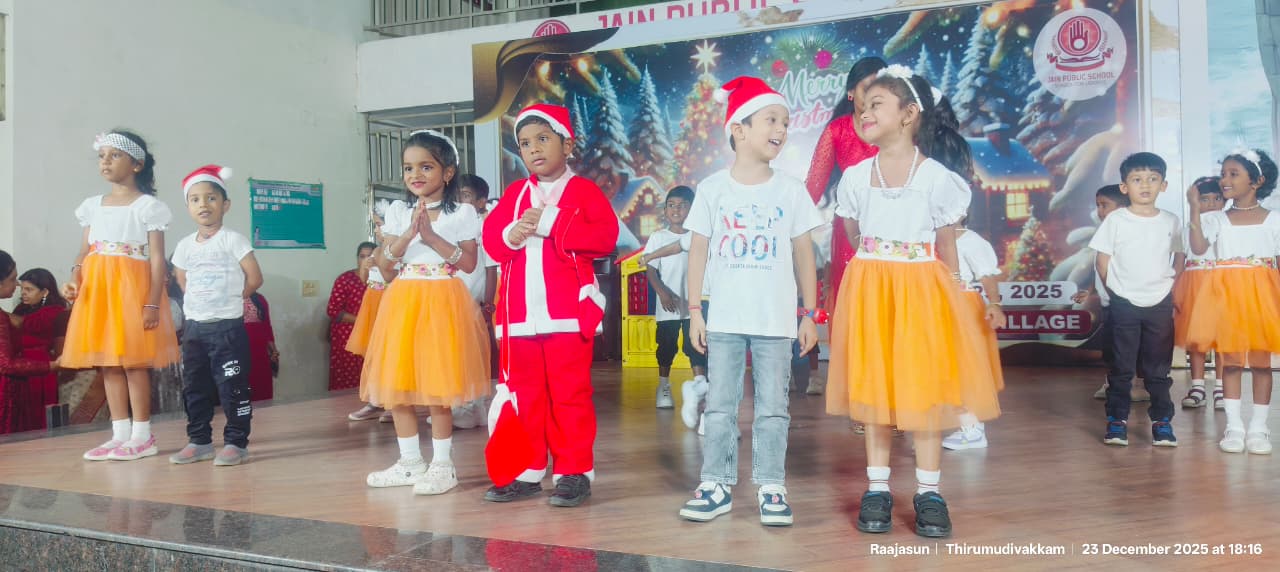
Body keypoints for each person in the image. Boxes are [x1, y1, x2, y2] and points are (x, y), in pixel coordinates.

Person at [826, 65, 1002, 538]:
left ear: (908, 114)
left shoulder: (937, 178)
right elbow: (853, 232)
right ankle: (877, 488)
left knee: (924, 391)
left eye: (876, 104)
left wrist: (955, 293)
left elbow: (946, 245)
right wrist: (878, 265)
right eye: (863, 106)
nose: (865, 112)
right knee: (876, 391)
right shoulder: (856, 177)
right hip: (872, 290)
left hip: (922, 291)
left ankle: (929, 491)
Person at [675, 77, 822, 528]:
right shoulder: (713, 188)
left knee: (774, 407)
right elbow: (698, 251)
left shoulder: (791, 190)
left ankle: (771, 486)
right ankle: (715, 484)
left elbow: (804, 253)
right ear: (738, 129)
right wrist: (695, 311)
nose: (781, 129)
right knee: (720, 406)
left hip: (775, 321)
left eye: (785, 122)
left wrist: (809, 314)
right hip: (724, 319)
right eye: (771, 120)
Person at [481, 104, 618, 507]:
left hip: (567, 314)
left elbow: (605, 238)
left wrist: (551, 222)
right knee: (524, 395)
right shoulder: (514, 195)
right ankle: (526, 471)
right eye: (525, 143)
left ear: (567, 145)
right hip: (519, 317)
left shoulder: (584, 191)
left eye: (543, 139)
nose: (534, 149)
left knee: (569, 395)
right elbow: (492, 242)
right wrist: (511, 233)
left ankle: (573, 471)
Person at [363, 130, 491, 495]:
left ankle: (442, 466)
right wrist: (408, 234)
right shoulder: (398, 211)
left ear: (447, 172)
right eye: (408, 168)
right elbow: (385, 265)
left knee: (438, 385)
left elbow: (468, 263)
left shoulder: (462, 212)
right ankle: (409, 462)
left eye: (426, 166)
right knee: (398, 384)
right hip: (403, 299)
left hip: (441, 299)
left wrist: (432, 236)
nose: (415, 174)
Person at [62, 130, 180, 461]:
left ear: (136, 164)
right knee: (108, 364)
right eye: (102, 156)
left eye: (115, 155)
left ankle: (143, 435)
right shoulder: (91, 206)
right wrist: (74, 277)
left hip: (131, 290)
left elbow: (157, 259)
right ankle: (119, 434)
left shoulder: (148, 207)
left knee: (133, 363)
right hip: (97, 290)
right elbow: (85, 250)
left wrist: (152, 302)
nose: (105, 162)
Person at [1185, 149, 1280, 455]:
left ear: (1257, 181)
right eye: (1223, 173)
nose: (1224, 179)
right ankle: (1235, 427)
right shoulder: (1217, 219)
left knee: (1261, 365)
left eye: (1233, 174)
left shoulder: (1274, 220)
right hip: (1227, 298)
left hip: (1263, 299)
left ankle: (1259, 428)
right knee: (1232, 363)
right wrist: (1195, 210)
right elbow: (1198, 248)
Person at [169, 165, 264, 466]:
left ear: (226, 205)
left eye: (211, 198)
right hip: (194, 328)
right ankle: (199, 441)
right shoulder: (184, 246)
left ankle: (236, 443)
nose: (203, 205)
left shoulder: (233, 240)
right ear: (188, 207)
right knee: (194, 386)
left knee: (232, 386)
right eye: (195, 199)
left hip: (227, 328)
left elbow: (255, 278)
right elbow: (182, 280)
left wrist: (232, 299)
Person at [1089, 152, 1183, 448]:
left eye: (1153, 179)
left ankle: (1162, 422)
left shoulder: (1171, 220)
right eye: (1137, 179)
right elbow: (1102, 260)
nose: (1145, 185)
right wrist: (1117, 292)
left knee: (1158, 367)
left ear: (1163, 185)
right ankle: (1117, 421)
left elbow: (1179, 256)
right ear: (1124, 186)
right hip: (1124, 303)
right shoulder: (1116, 220)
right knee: (1122, 366)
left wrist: (1170, 286)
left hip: (1159, 302)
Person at [805, 57, 885, 313]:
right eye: (867, 88)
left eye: (880, 90)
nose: (873, 96)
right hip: (849, 230)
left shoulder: (895, 129)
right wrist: (786, 227)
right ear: (851, 92)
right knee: (853, 307)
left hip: (890, 227)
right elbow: (813, 187)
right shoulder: (838, 130)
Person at [941, 218, 1006, 450]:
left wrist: (994, 303)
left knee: (961, 368)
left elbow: (987, 275)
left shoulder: (971, 241)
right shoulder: (929, 236)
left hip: (960, 307)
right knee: (941, 368)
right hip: (933, 305)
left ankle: (972, 428)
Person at [640, 185, 707, 410]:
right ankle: (664, 386)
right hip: (668, 304)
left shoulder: (698, 236)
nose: (676, 210)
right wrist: (662, 293)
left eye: (682, 206)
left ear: (692, 209)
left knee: (695, 345)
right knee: (666, 346)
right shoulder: (658, 237)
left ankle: (699, 386)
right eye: (671, 205)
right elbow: (651, 269)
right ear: (665, 210)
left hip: (694, 305)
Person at [1085, 185, 1150, 403]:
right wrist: (1092, 290)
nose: (1100, 211)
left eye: (1105, 205)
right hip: (1108, 302)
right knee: (1111, 346)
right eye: (1098, 206)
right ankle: (1112, 381)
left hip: (1126, 300)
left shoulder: (1130, 232)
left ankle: (1137, 383)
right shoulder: (1103, 232)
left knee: (1132, 345)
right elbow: (1099, 268)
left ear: (1122, 208)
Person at [1175, 176, 1225, 409]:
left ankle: (1222, 388)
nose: (1212, 204)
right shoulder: (1185, 229)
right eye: (1205, 199)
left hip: (1221, 284)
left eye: (1217, 198)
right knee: (1196, 340)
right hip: (1193, 285)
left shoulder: (1227, 224)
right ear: (1194, 201)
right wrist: (1174, 289)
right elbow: (1179, 262)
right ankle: (1197, 386)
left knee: (1223, 339)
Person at [1, 269, 69, 433]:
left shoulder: (55, 313)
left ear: (45, 292)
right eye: (22, 289)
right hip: (18, 366)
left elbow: (59, 348)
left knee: (37, 417)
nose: (23, 293)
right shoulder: (19, 310)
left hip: (40, 367)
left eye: (29, 289)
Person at [346, 244, 394, 422]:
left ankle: (394, 403)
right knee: (372, 356)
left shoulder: (400, 249)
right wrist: (365, 267)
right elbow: (365, 280)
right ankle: (375, 400)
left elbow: (397, 275)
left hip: (390, 300)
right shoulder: (376, 251)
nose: (380, 231)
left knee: (390, 356)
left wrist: (380, 263)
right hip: (371, 303)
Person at [327, 242, 377, 392]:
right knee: (348, 379)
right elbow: (333, 310)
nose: (366, 260)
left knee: (373, 377)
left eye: (370, 256)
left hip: (375, 335)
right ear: (357, 259)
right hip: (347, 336)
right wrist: (362, 321)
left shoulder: (383, 280)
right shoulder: (345, 279)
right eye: (362, 256)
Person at [244, 293, 278, 402]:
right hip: (236, 348)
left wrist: (273, 350)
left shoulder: (259, 298)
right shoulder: (228, 297)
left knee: (261, 384)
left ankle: (265, 412)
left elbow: (266, 325)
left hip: (259, 349)